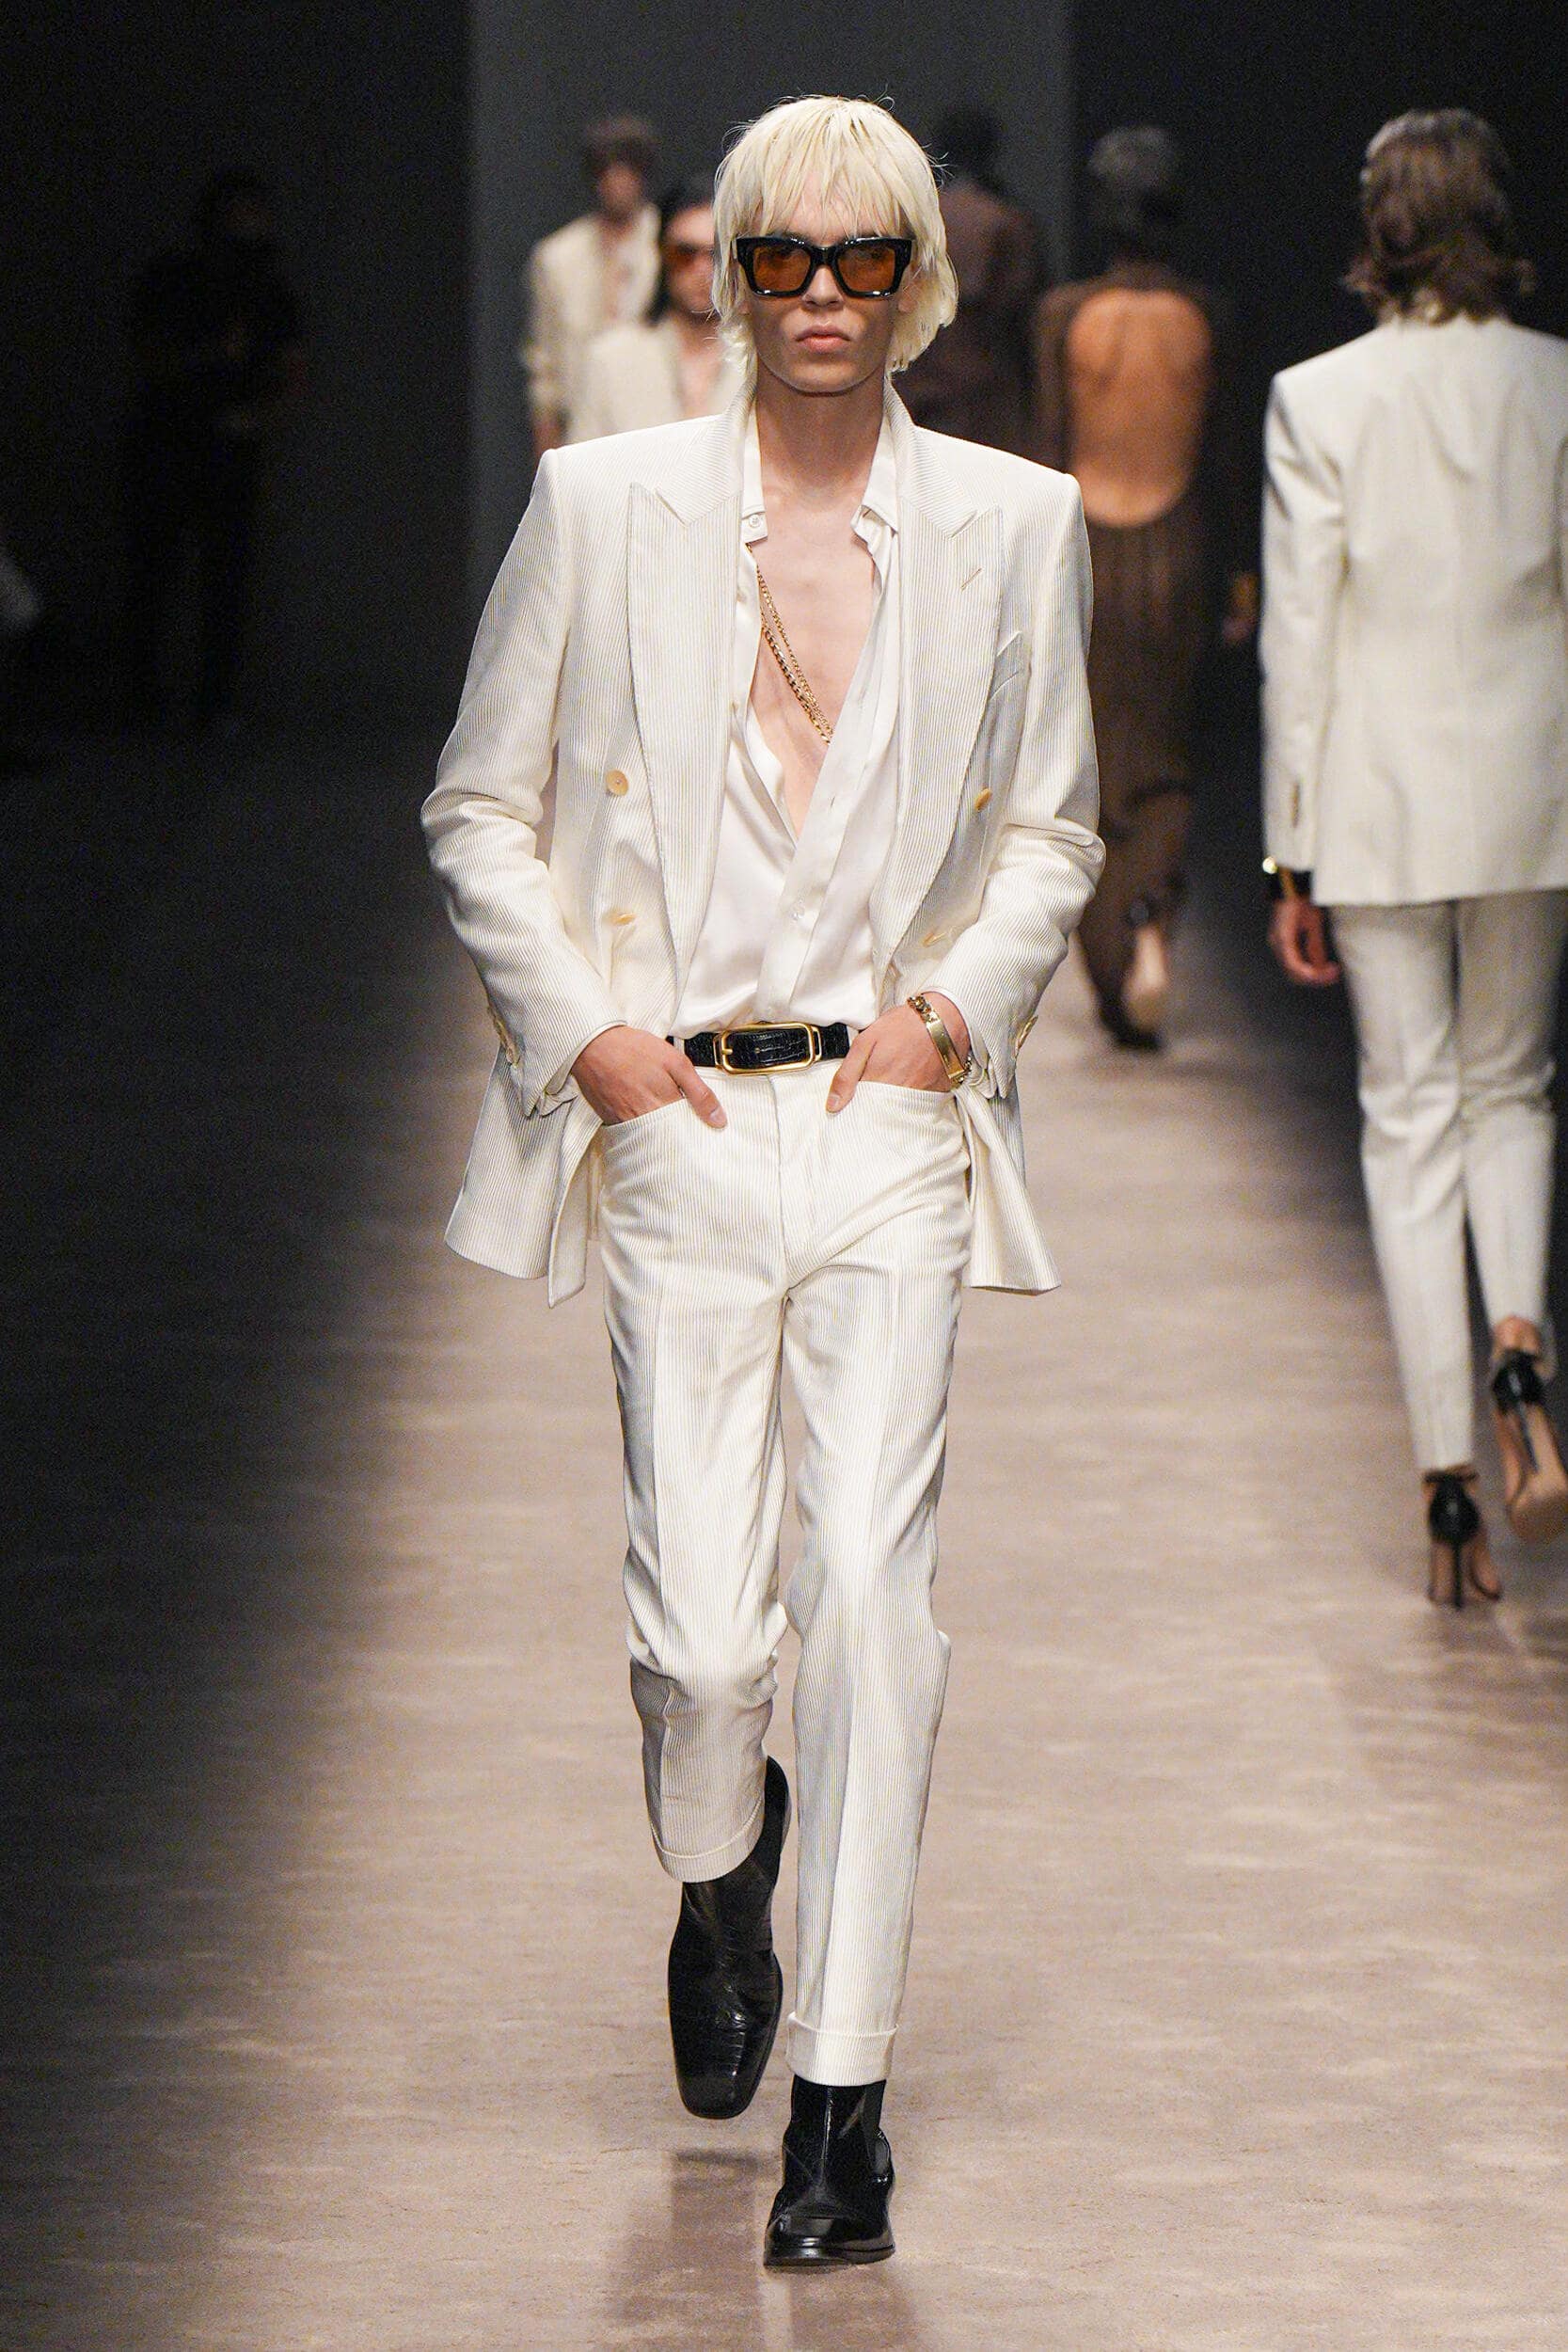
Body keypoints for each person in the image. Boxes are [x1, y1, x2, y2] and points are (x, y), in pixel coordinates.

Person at [423, 94, 1101, 2266]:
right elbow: (476, 806)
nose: (821, 293)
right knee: (706, 1649)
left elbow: (1051, 826)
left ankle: (842, 2102)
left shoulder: (1013, 522)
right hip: (682, 1124)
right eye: (784, 258)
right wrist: (590, 1044)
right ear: (731, 278)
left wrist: (954, 1013)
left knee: (875, 1611)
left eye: (860, 258)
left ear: (917, 279)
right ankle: (722, 1871)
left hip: (888, 1122)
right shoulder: (602, 505)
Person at [1262, 110, 1568, 1605]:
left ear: (1376, 224)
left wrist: (1287, 852)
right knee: (1508, 1086)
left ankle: (1445, 1472)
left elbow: (1299, 632)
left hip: (1375, 798)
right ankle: (1518, 1338)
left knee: (1406, 1117)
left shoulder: (1317, 397)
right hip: (1529, 788)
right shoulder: (1552, 384)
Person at [1034, 128, 1255, 1047]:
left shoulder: (1064, 315)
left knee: (1081, 768)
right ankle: (1148, 917)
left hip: (1084, 544)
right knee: (1164, 762)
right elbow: (1223, 457)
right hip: (1179, 550)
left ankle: (1113, 967)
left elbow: (1046, 451)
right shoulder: (1204, 317)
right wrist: (1241, 574)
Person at [123, 173, 305, 728]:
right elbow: (148, 355)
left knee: (225, 578)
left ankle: (215, 699)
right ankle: (142, 696)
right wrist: (208, 357)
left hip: (230, 451)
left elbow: (291, 371)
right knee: (154, 573)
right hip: (167, 443)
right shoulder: (174, 281)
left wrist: (256, 417)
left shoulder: (270, 293)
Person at [898, 105, 1041, 453]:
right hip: (983, 388)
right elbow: (1022, 316)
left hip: (916, 383)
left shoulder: (916, 220)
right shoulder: (1004, 222)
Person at [521, 116, 660, 462]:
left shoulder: (670, 248)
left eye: (626, 170)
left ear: (642, 174)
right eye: (606, 171)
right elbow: (545, 368)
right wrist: (547, 462)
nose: (617, 182)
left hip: (656, 423)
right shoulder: (557, 258)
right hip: (582, 429)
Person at [568, 178, 741, 441]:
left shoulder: (761, 363)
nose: (701, 269)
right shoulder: (609, 361)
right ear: (661, 253)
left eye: (715, 254)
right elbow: (582, 463)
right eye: (684, 254)